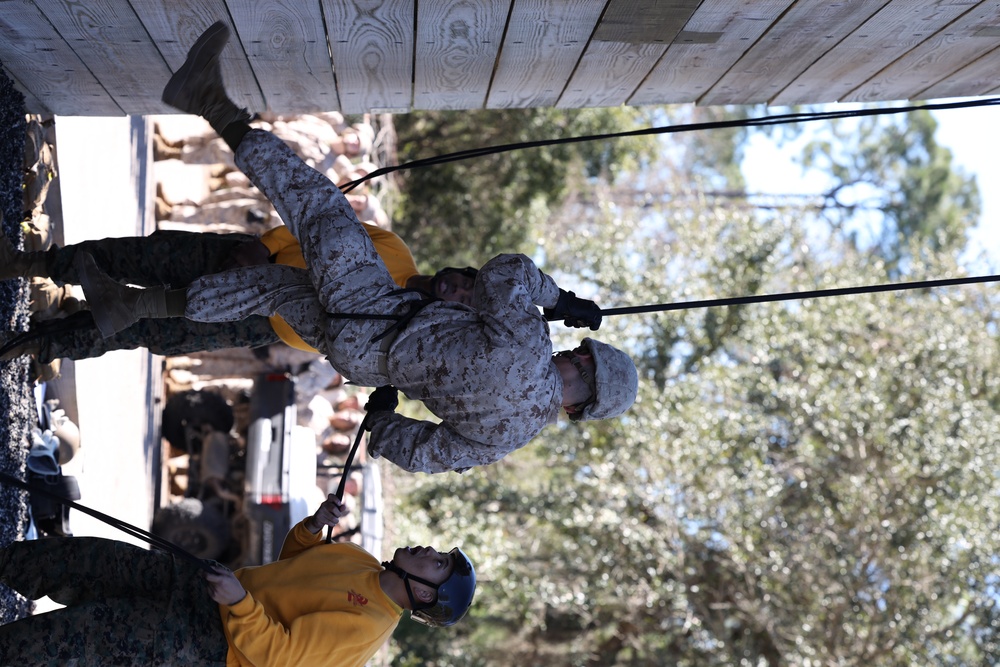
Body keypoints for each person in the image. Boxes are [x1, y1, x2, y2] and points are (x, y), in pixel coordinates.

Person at [76, 21, 639, 474]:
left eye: (580, 355)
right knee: (269, 289)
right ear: (574, 410)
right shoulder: (505, 438)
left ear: (581, 358)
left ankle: (208, 100)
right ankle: (128, 306)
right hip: (362, 359)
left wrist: (560, 301)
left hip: (373, 308)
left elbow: (505, 274)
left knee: (318, 209)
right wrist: (383, 418)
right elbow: (421, 454)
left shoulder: (530, 344)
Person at [0, 494, 476, 666]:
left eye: (437, 565)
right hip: (208, 586)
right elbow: (294, 563)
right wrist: (312, 526)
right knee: (86, 561)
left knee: (73, 638)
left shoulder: (367, 628)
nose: (429, 551)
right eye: (439, 553)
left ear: (423, 595)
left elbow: (282, 656)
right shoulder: (364, 559)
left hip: (207, 644)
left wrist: (242, 605)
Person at [0, 212, 478, 363]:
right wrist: (263, 248)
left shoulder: (406, 330)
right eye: (465, 283)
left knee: (140, 329)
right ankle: (27, 263)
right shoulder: (393, 246)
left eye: (463, 301)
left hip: (256, 320)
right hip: (247, 259)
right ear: (459, 270)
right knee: (138, 256)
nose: (454, 290)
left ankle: (28, 345)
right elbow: (321, 221)